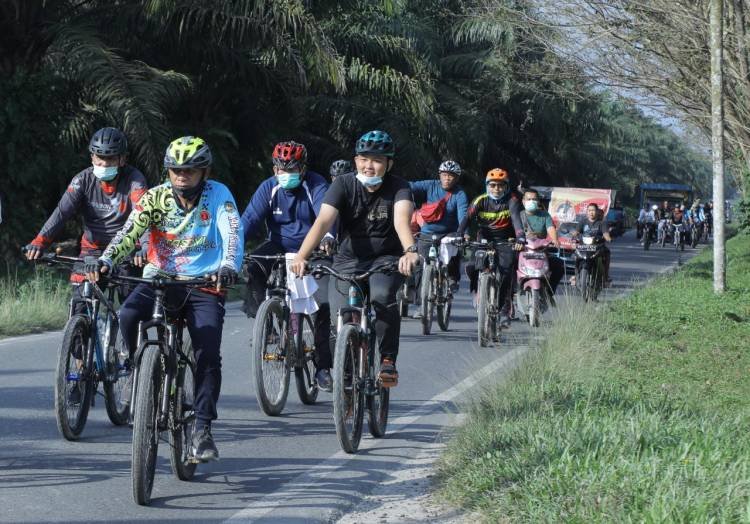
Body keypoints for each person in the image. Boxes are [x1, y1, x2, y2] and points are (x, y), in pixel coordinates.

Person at [87, 136, 243, 462]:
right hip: (160, 280)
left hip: (204, 285)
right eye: (175, 170)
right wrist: (107, 261)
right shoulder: (155, 197)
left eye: (189, 170)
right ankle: (135, 371)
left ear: (204, 172)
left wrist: (229, 265)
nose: (181, 176)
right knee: (127, 315)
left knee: (207, 353)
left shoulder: (218, 195)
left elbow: (232, 231)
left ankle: (201, 429)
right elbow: (130, 232)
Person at [289, 130, 419, 388]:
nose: (369, 165)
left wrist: (409, 251)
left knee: (382, 297)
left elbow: (401, 221)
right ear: (356, 160)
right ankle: (345, 379)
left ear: (389, 164)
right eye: (363, 159)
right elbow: (324, 220)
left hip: (386, 260)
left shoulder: (399, 187)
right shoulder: (343, 184)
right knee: (340, 320)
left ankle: (387, 361)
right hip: (347, 261)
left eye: (377, 160)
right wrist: (302, 256)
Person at [240, 141, 335, 391]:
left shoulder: (316, 185)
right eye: (280, 169)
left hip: (313, 249)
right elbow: (249, 219)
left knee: (321, 304)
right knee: (253, 265)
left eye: (291, 169)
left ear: (303, 168)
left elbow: (326, 216)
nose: (285, 175)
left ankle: (323, 367)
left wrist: (327, 239)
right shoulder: (268, 188)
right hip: (279, 246)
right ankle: (268, 323)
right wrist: (234, 248)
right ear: (274, 169)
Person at [25, 127, 147, 312]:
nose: (104, 164)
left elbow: (143, 214)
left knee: (132, 310)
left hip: (126, 251)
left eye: (111, 158)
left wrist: (144, 247)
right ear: (92, 157)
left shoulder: (135, 180)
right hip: (91, 251)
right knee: (79, 305)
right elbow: (61, 213)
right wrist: (40, 241)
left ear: (122, 159)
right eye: (100, 157)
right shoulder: (82, 179)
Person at [457, 168, 525, 328]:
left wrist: (520, 237)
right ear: (487, 185)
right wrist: (460, 234)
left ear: (506, 187)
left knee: (507, 271)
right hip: (484, 239)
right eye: (493, 185)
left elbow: (516, 220)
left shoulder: (512, 200)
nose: (496, 189)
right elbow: (467, 218)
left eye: (500, 186)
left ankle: (504, 309)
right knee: (473, 265)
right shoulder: (480, 200)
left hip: (506, 240)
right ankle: (477, 292)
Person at [409, 159, 469, 300]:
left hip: (449, 234)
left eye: (451, 175)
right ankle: (420, 301)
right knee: (419, 265)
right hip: (426, 234)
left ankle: (453, 279)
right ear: (439, 175)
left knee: (453, 254)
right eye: (444, 174)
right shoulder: (431, 185)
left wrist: (464, 234)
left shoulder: (460, 194)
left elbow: (463, 215)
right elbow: (409, 186)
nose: (447, 178)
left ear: (456, 178)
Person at [519, 189, 564, 294]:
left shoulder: (545, 215)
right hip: (521, 250)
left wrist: (555, 240)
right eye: (528, 199)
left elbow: (550, 228)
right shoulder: (518, 215)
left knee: (559, 265)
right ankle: (509, 295)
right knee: (509, 265)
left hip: (540, 251)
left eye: (534, 199)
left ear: (538, 201)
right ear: (523, 201)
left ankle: (549, 293)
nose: (531, 201)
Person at [573, 203, 612, 284]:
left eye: (593, 210)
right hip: (583, 246)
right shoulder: (582, 222)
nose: (591, 212)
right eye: (589, 210)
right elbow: (576, 232)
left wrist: (608, 238)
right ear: (587, 212)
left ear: (597, 211)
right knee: (575, 255)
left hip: (597, 246)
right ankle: (575, 276)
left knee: (607, 253)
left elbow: (605, 233)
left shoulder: (601, 223)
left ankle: (605, 277)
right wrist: (573, 237)